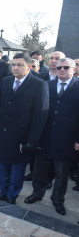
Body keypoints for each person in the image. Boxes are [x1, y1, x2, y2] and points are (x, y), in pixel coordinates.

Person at [0, 53, 49, 205]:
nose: (15, 68)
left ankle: (12, 196)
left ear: (29, 67)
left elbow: (40, 116)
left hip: (21, 136)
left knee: (17, 169)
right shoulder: (5, 81)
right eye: (13, 64)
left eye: (19, 65)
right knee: (2, 164)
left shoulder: (39, 84)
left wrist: (32, 140)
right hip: (3, 133)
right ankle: (3, 191)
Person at [24, 58, 79, 215]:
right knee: (39, 170)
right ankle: (37, 194)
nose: (61, 69)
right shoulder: (47, 85)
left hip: (66, 140)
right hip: (44, 137)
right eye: (59, 67)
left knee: (61, 174)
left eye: (66, 67)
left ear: (73, 69)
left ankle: (57, 200)